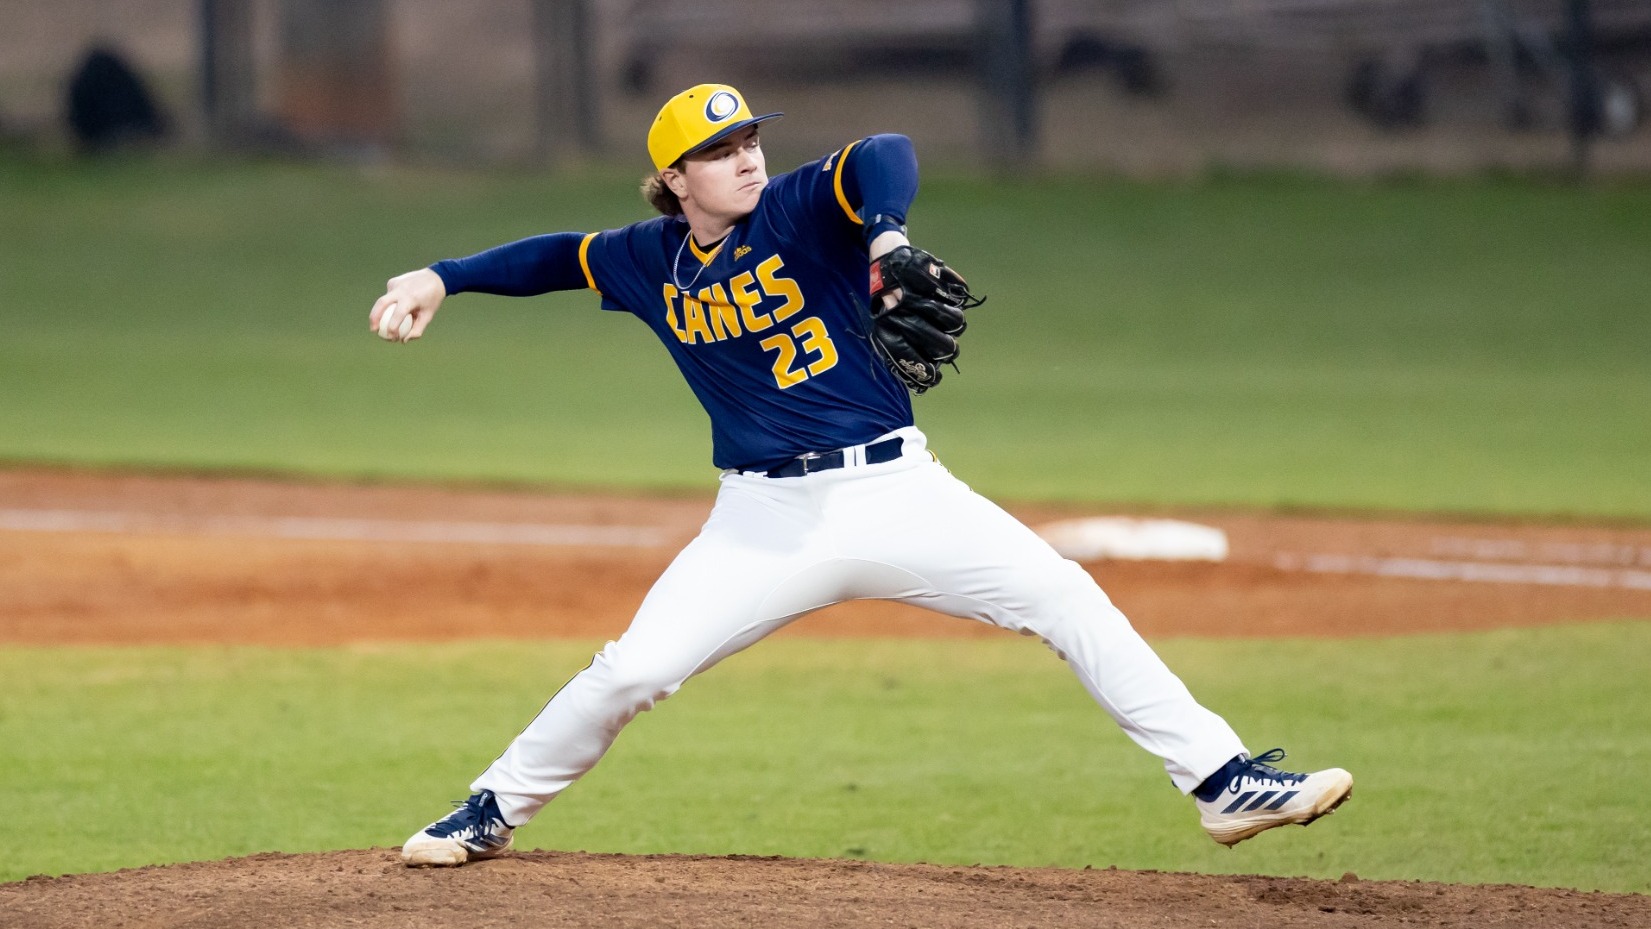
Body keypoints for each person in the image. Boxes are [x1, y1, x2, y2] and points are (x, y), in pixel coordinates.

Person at [371, 84, 1353, 868]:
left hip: (899, 494)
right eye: (718, 148)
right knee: (633, 667)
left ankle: (1222, 781)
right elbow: (555, 256)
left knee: (1061, 591)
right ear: (673, 180)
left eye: (749, 136)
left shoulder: (801, 206)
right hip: (760, 518)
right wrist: (441, 275)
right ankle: (491, 807)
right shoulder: (648, 260)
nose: (745, 154)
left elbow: (886, 148)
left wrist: (883, 234)